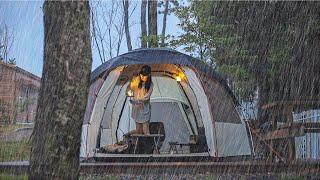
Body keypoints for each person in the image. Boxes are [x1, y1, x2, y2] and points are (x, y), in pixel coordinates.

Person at [126, 65, 153, 135]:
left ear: (149, 75)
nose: (142, 77)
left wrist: (139, 100)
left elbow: (146, 97)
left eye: (145, 76)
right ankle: (131, 137)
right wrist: (130, 81)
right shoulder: (137, 80)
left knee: (145, 129)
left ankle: (149, 144)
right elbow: (129, 90)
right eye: (141, 75)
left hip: (144, 108)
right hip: (136, 108)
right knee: (138, 130)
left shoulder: (150, 85)